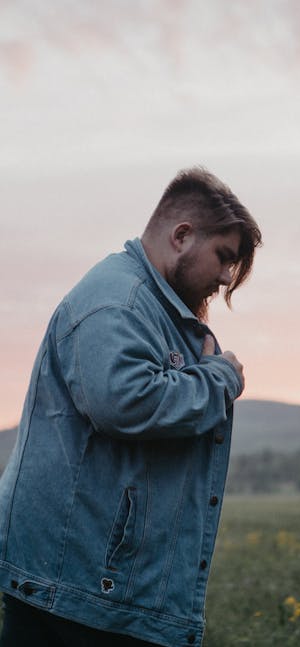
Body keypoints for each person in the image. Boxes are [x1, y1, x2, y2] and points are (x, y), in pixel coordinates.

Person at [0, 167, 262, 647]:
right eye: (224, 258)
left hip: (86, 588)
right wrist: (219, 378)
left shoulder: (148, 304)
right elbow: (128, 402)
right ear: (182, 236)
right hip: (79, 592)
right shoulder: (118, 301)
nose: (227, 279)